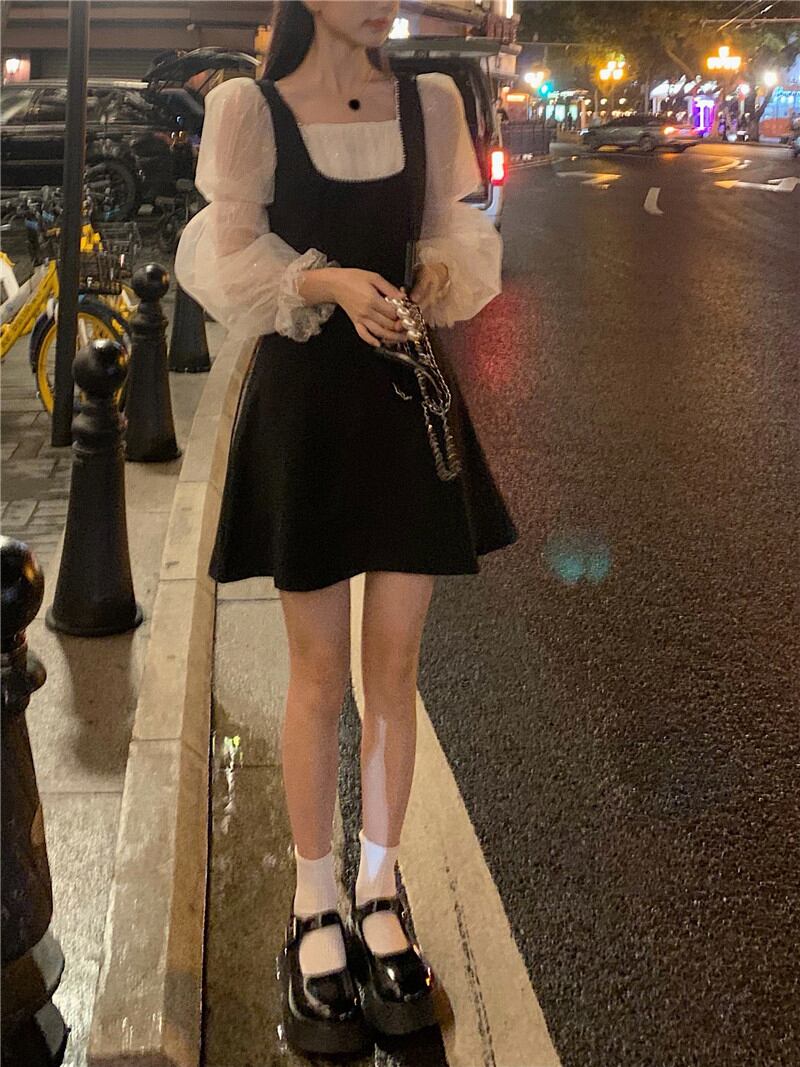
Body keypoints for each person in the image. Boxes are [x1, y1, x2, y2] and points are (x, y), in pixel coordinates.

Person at [175, 0, 518, 1054]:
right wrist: (319, 277)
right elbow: (224, 258)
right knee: (318, 675)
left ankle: (378, 885)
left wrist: (433, 270)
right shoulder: (250, 110)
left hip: (404, 401)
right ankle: (312, 897)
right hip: (308, 409)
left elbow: (458, 230)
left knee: (395, 668)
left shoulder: (430, 101)